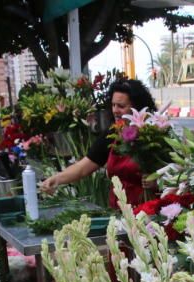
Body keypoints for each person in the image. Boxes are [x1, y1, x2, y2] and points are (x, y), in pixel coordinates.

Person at [39, 78, 157, 209]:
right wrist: (55, 180)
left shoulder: (153, 133)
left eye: (121, 106)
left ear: (136, 107)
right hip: (119, 212)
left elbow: (172, 175)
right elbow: (83, 167)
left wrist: (156, 182)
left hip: (148, 211)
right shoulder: (112, 133)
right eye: (113, 105)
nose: (115, 110)